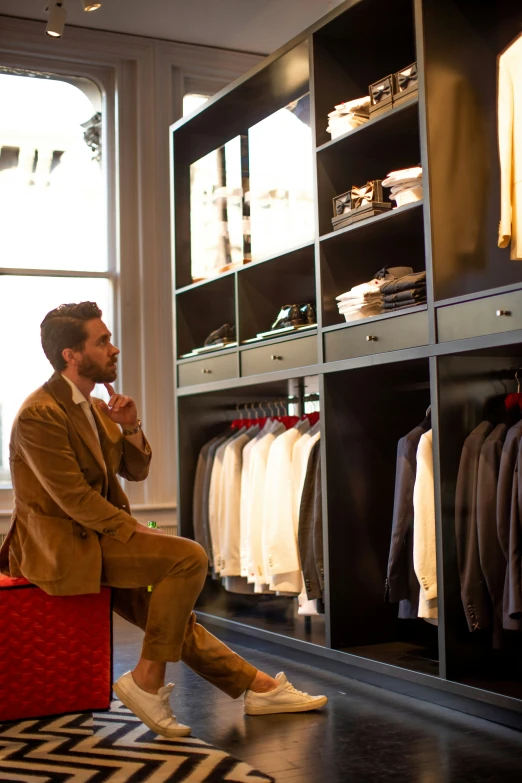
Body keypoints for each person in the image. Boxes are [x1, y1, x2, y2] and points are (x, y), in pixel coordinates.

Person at [0, 302, 327, 737]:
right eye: (102, 341)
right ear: (71, 355)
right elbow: (73, 498)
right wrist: (134, 530)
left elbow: (136, 470)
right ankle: (146, 680)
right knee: (188, 557)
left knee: (168, 617)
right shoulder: (39, 413)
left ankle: (259, 688)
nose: (113, 349)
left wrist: (131, 427)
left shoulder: (95, 408)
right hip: (59, 549)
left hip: (95, 540)